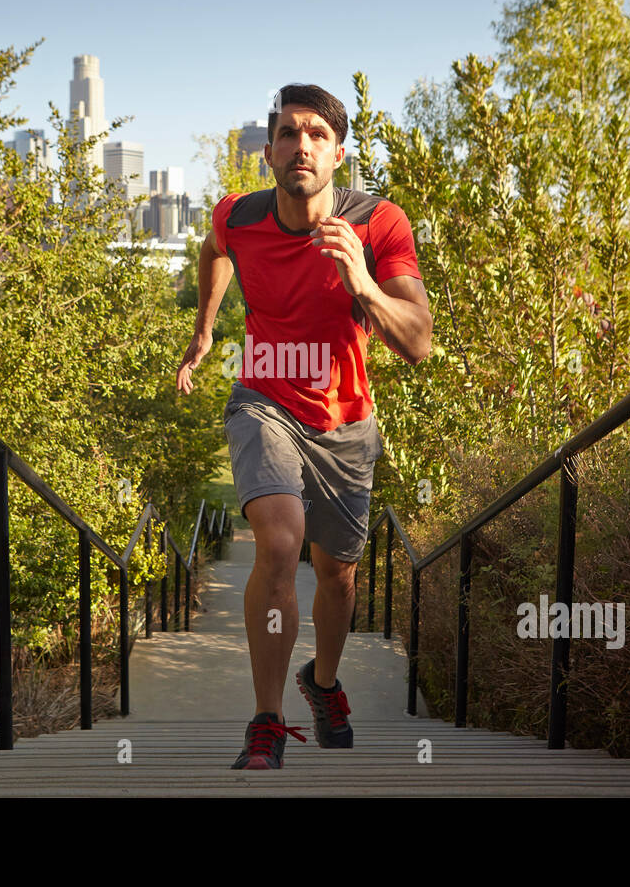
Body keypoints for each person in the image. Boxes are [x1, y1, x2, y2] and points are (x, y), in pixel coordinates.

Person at [175, 83, 432, 769]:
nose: (302, 144)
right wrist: (203, 332)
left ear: (338, 154)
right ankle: (266, 720)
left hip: (347, 424)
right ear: (268, 153)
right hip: (264, 400)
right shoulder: (239, 215)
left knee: (339, 575)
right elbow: (213, 251)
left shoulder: (379, 224)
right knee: (281, 545)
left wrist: (364, 284)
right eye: (288, 133)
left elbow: (419, 342)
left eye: (317, 133)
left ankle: (321, 684)